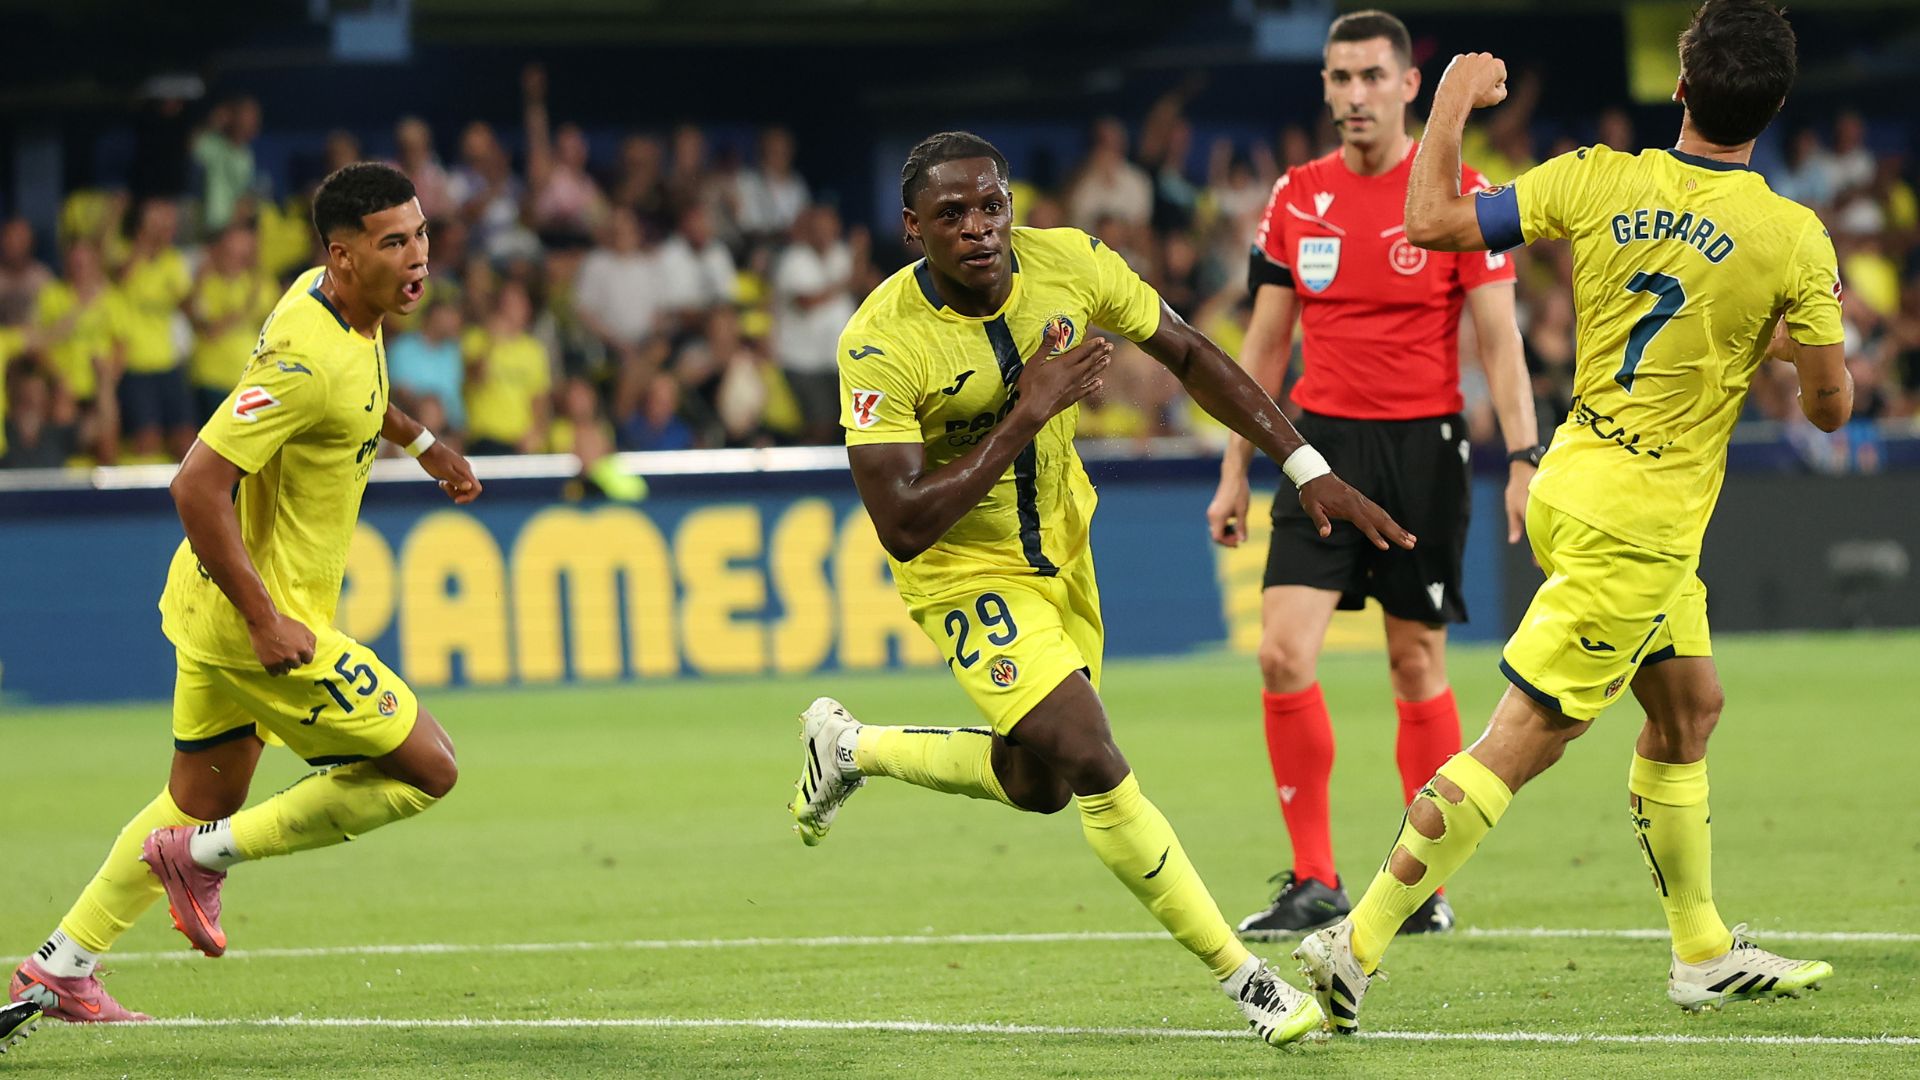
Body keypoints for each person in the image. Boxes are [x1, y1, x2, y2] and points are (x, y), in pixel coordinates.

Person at [1292, 0, 1850, 1032]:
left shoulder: (1598, 175)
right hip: (1639, 525)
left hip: (1574, 483)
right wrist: (1780, 340)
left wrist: (1453, 103)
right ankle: (1354, 939)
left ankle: (1700, 952)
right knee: (1527, 738)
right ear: (1773, 107)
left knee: (1689, 709)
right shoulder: (1792, 238)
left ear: (1680, 90)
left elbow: (1432, 224)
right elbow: (1830, 408)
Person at [788, 130, 1413, 1048]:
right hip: (962, 568)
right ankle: (1248, 983)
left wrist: (1305, 463)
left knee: (1038, 781)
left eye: (991, 205)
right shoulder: (879, 341)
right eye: (951, 214)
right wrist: (1025, 413)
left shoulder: (1072, 262)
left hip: (1065, 555)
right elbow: (903, 521)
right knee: (1092, 756)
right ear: (912, 227)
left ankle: (850, 748)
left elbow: (1192, 353)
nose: (978, 228)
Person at [9, 163, 481, 1023]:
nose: (418, 258)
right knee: (426, 769)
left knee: (197, 796)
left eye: (420, 235)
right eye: (394, 242)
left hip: (205, 606)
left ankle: (59, 966)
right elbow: (196, 485)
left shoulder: (332, 302)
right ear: (342, 257)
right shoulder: (307, 358)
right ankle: (203, 859)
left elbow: (360, 396)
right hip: (260, 620)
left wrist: (422, 444)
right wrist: (266, 620)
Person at [1206, 8, 1538, 941]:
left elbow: (1501, 346)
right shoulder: (1294, 196)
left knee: (1414, 660)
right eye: (1337, 78)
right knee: (1280, 653)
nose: (1352, 95)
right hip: (1314, 450)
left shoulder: (1459, 193)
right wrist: (1236, 468)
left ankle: (1420, 883)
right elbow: (1260, 352)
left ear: (1405, 86)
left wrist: (1522, 456)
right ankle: (1314, 878)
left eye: (1369, 78)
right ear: (1325, 86)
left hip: (1421, 453)